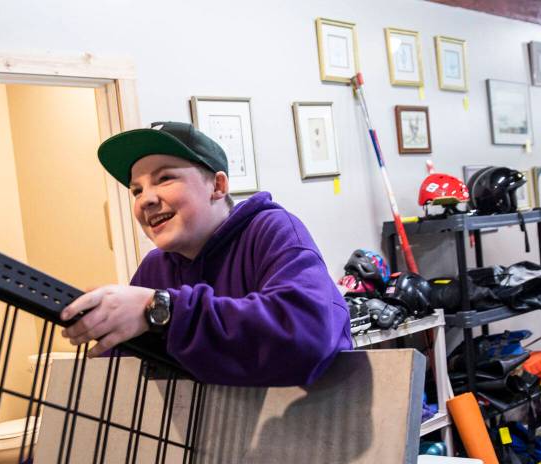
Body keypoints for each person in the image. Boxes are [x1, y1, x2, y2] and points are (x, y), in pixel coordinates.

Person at [59, 121, 351, 387]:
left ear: (218, 186)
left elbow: (306, 335)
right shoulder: (154, 268)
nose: (145, 199)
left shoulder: (271, 230)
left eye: (164, 178)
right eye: (136, 190)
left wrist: (162, 310)